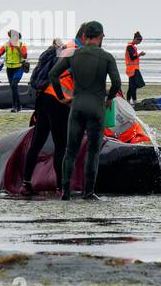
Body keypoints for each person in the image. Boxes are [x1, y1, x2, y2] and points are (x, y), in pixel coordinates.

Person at [49, 21, 121, 201]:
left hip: (77, 107)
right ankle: (88, 192)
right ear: (100, 36)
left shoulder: (73, 55)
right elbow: (117, 83)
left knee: (70, 151)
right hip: (96, 109)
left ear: (84, 37)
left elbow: (53, 75)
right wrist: (110, 97)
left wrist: (61, 97)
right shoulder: (107, 57)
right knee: (92, 151)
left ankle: (65, 192)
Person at [21, 31, 83, 196]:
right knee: (60, 144)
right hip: (58, 100)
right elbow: (72, 77)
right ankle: (60, 187)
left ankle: (26, 183)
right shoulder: (74, 50)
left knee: (37, 143)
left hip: (43, 99)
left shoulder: (61, 50)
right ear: (85, 37)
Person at [0, 30, 29, 112]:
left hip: (19, 67)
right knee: (13, 87)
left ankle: (15, 106)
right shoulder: (6, 45)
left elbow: (25, 56)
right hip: (9, 68)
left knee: (14, 85)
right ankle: (19, 106)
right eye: (11, 36)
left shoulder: (22, 44)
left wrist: (17, 48)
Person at [124, 32, 145, 103]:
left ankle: (128, 101)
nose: (139, 43)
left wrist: (139, 55)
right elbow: (132, 58)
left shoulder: (133, 47)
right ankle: (134, 101)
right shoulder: (129, 47)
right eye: (139, 41)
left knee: (131, 86)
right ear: (136, 39)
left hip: (134, 69)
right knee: (134, 86)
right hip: (132, 70)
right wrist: (140, 55)